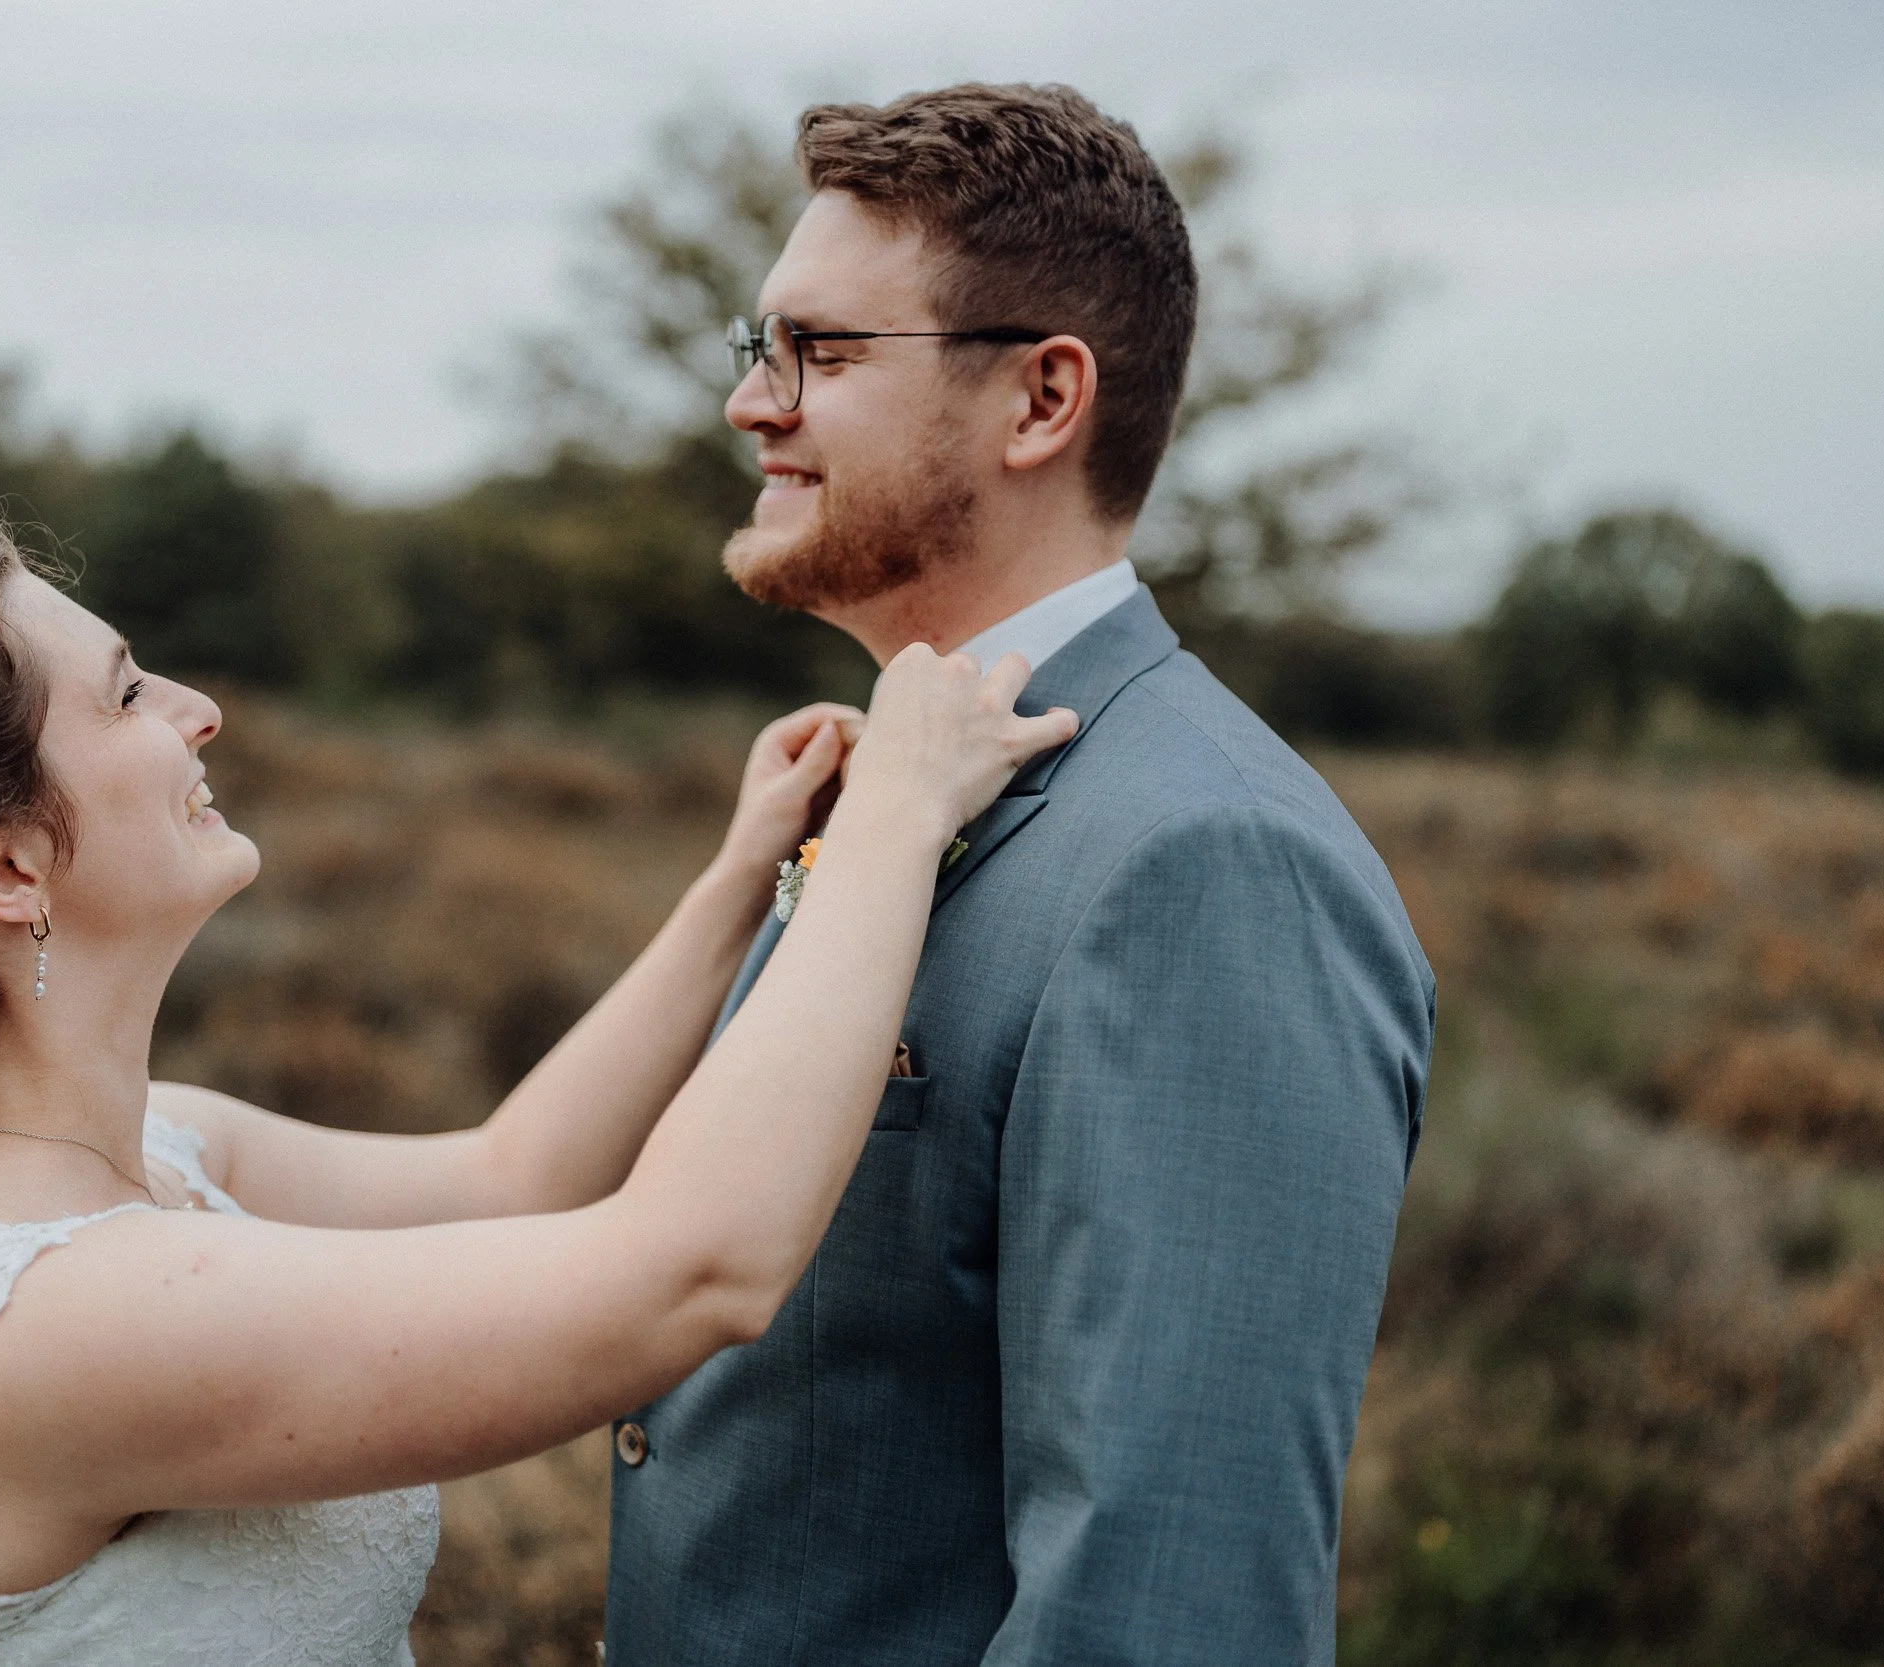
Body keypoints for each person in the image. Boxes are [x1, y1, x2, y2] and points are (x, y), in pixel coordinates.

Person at [0, 514, 1077, 1666]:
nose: (200, 705)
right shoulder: (40, 1325)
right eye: (127, 694)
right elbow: (691, 1274)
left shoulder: (148, 1158)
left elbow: (506, 1173)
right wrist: (893, 822)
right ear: (6, 865)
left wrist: (746, 875)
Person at [603, 83, 1436, 1664]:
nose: (749, 404)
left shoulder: (1210, 862)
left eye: (822, 354)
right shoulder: (885, 784)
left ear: (1043, 400)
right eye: (754, 345)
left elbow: (1169, 1599)